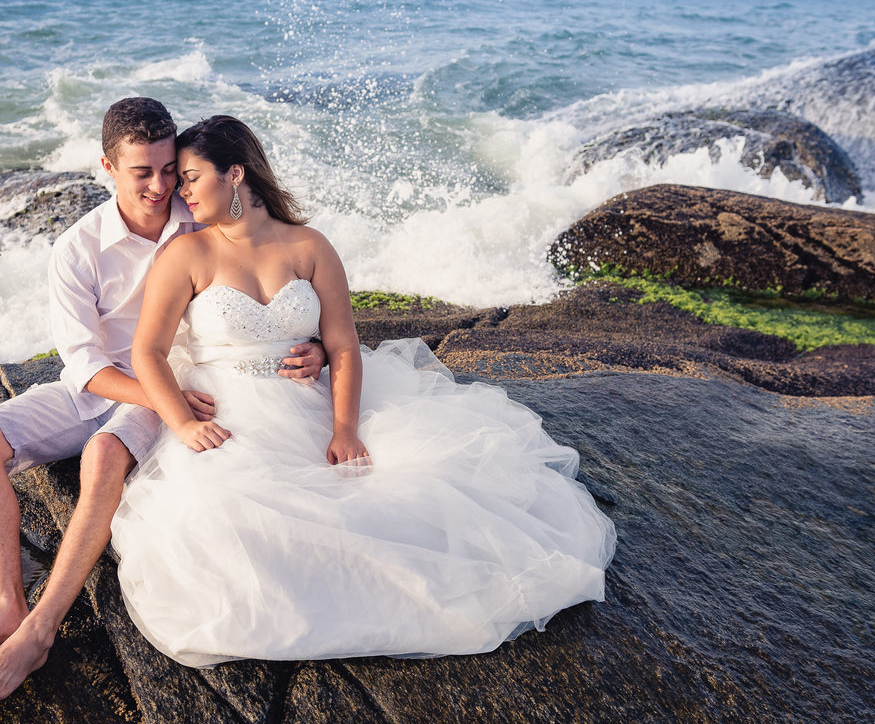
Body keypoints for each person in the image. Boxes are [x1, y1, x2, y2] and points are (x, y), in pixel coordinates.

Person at [113, 115, 616, 667]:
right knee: (225, 514)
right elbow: (148, 352)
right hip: (228, 408)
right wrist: (183, 424)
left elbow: (345, 345)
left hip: (312, 398)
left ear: (234, 174)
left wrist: (345, 428)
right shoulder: (187, 254)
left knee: (412, 489)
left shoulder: (309, 245)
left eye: (189, 176)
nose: (178, 191)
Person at [0, 98, 326, 702]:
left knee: (103, 455)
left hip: (175, 379)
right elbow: (83, 364)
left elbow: (277, 273)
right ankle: (6, 605)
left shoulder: (202, 212)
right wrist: (152, 391)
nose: (160, 185)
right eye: (141, 172)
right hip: (101, 383)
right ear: (106, 167)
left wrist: (316, 347)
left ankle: (41, 632)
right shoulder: (76, 248)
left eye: (168, 169)